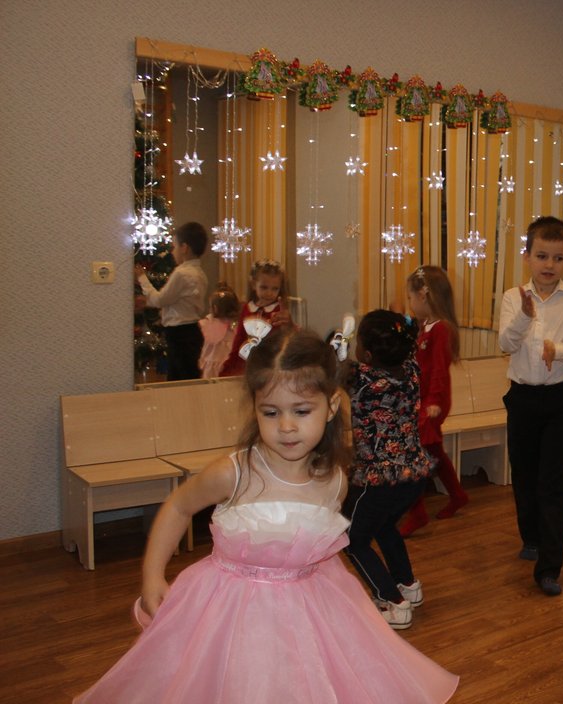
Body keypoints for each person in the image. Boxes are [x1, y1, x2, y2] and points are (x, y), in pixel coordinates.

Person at [73, 328, 458, 703]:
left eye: (301, 411)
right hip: (228, 616)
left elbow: (314, 550)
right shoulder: (233, 473)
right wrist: (152, 574)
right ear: (255, 407)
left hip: (305, 617)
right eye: (270, 412)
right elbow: (178, 506)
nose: (286, 426)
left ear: (331, 407)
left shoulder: (335, 482)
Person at [498, 216, 563, 596]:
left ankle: (550, 567)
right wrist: (524, 315)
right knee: (524, 476)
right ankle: (531, 537)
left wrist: (558, 350)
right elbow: (505, 343)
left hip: (560, 400)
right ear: (528, 256)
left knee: (554, 483)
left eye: (558, 258)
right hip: (522, 399)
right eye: (542, 256)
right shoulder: (512, 297)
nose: (550, 264)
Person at [342, 309, 435, 629]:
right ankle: (407, 584)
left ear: (367, 355)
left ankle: (392, 602)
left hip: (378, 479)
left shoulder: (362, 380)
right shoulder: (411, 369)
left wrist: (336, 343)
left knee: (352, 538)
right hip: (413, 475)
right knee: (384, 527)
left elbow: (330, 370)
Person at [399, 265, 470, 537]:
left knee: (411, 453)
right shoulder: (424, 326)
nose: (410, 303)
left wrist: (433, 401)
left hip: (432, 401)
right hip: (422, 399)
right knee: (433, 450)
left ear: (423, 295)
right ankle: (458, 494)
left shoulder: (440, 329)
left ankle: (417, 513)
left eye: (410, 297)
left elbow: (439, 368)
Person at [136, 221, 209, 381]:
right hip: (191, 331)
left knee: (180, 379)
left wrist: (142, 278)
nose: (172, 251)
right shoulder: (200, 273)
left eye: (174, 247)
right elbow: (177, 301)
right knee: (187, 376)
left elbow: (160, 299)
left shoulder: (182, 273)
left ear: (184, 248)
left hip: (179, 333)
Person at [220, 259, 293, 377]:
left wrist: (287, 325)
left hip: (271, 365)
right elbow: (239, 339)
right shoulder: (247, 308)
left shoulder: (279, 311)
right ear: (254, 284)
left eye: (275, 288)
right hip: (246, 364)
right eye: (264, 287)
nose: (269, 293)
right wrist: (229, 364)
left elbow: (288, 339)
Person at [198, 283, 239, 379]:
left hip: (212, 366)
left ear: (215, 308)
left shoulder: (208, 324)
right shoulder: (236, 325)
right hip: (229, 365)